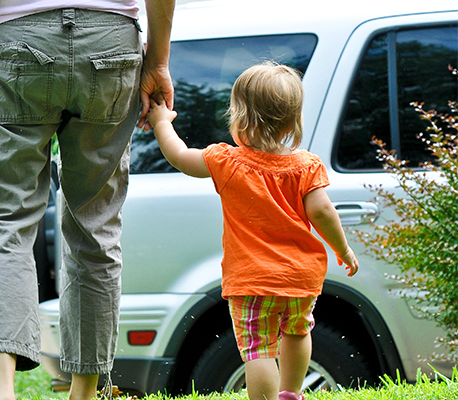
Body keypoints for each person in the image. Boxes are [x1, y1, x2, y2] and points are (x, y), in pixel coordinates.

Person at [0, 1, 174, 399]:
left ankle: (1, 390)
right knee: (95, 227)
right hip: (110, 44)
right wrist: (158, 60)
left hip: (16, 40)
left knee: (6, 221)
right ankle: (83, 393)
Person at [146, 61, 359, 400]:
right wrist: (343, 249)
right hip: (300, 277)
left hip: (252, 280)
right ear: (293, 120)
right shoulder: (306, 166)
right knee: (298, 332)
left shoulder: (227, 162)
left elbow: (180, 157)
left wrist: (160, 123)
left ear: (240, 119)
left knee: (259, 349)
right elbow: (322, 211)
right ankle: (291, 393)